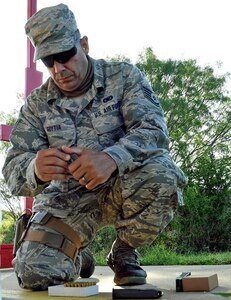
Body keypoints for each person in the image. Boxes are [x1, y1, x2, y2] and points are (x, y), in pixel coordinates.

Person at [2, 3, 187, 291]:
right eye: (49, 61)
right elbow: (12, 170)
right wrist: (33, 168)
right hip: (66, 202)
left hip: (123, 187)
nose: (59, 69)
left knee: (162, 174)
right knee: (33, 274)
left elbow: (154, 132)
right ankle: (78, 254)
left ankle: (124, 251)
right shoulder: (37, 105)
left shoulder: (124, 77)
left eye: (65, 56)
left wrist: (112, 158)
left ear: (84, 45)